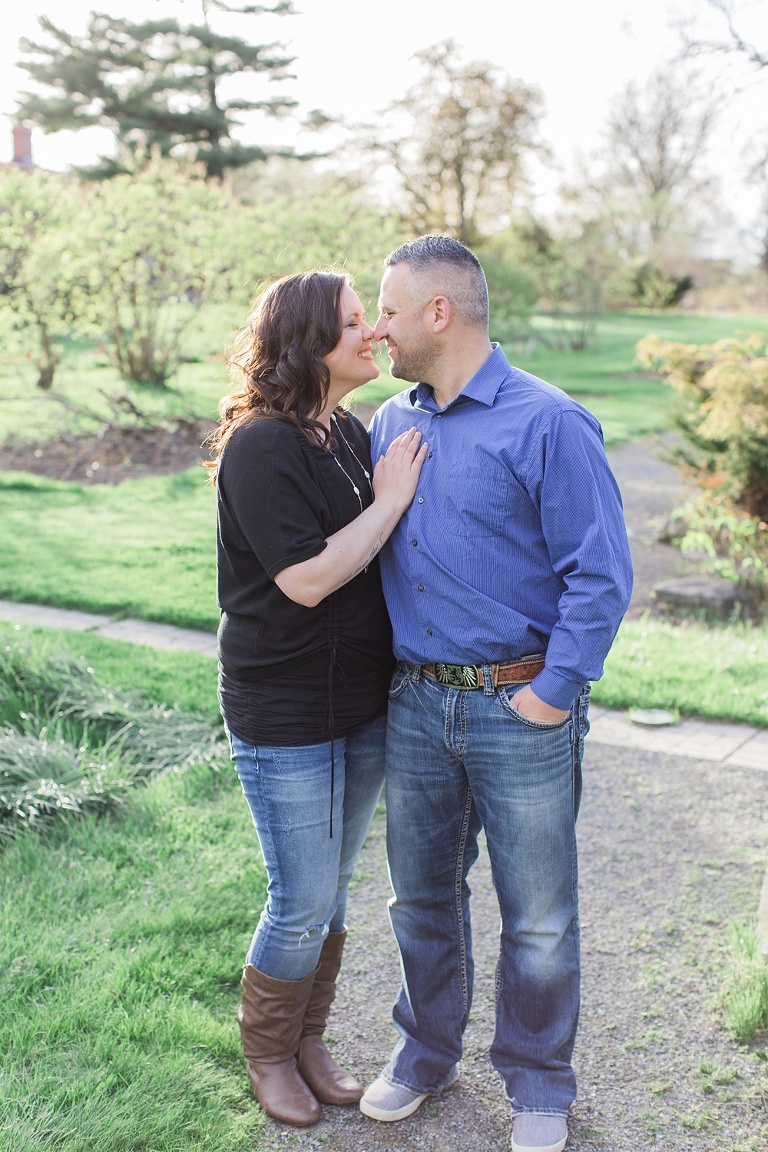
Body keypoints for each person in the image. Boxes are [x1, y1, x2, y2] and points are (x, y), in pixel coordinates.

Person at [358, 236, 633, 1152]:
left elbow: (601, 575)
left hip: (522, 707)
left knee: (539, 916)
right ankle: (425, 1052)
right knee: (419, 899)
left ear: (439, 313)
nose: (378, 329)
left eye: (388, 311)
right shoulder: (387, 422)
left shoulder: (550, 423)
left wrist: (553, 693)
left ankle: (539, 1082)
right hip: (415, 704)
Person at [206, 270, 427, 1128]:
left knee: (330, 893)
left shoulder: (345, 431)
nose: (374, 334)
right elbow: (305, 580)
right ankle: (268, 1053)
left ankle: (308, 1041)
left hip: (360, 701)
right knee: (300, 897)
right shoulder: (261, 445)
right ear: (308, 342)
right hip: (284, 707)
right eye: (355, 321)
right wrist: (392, 501)